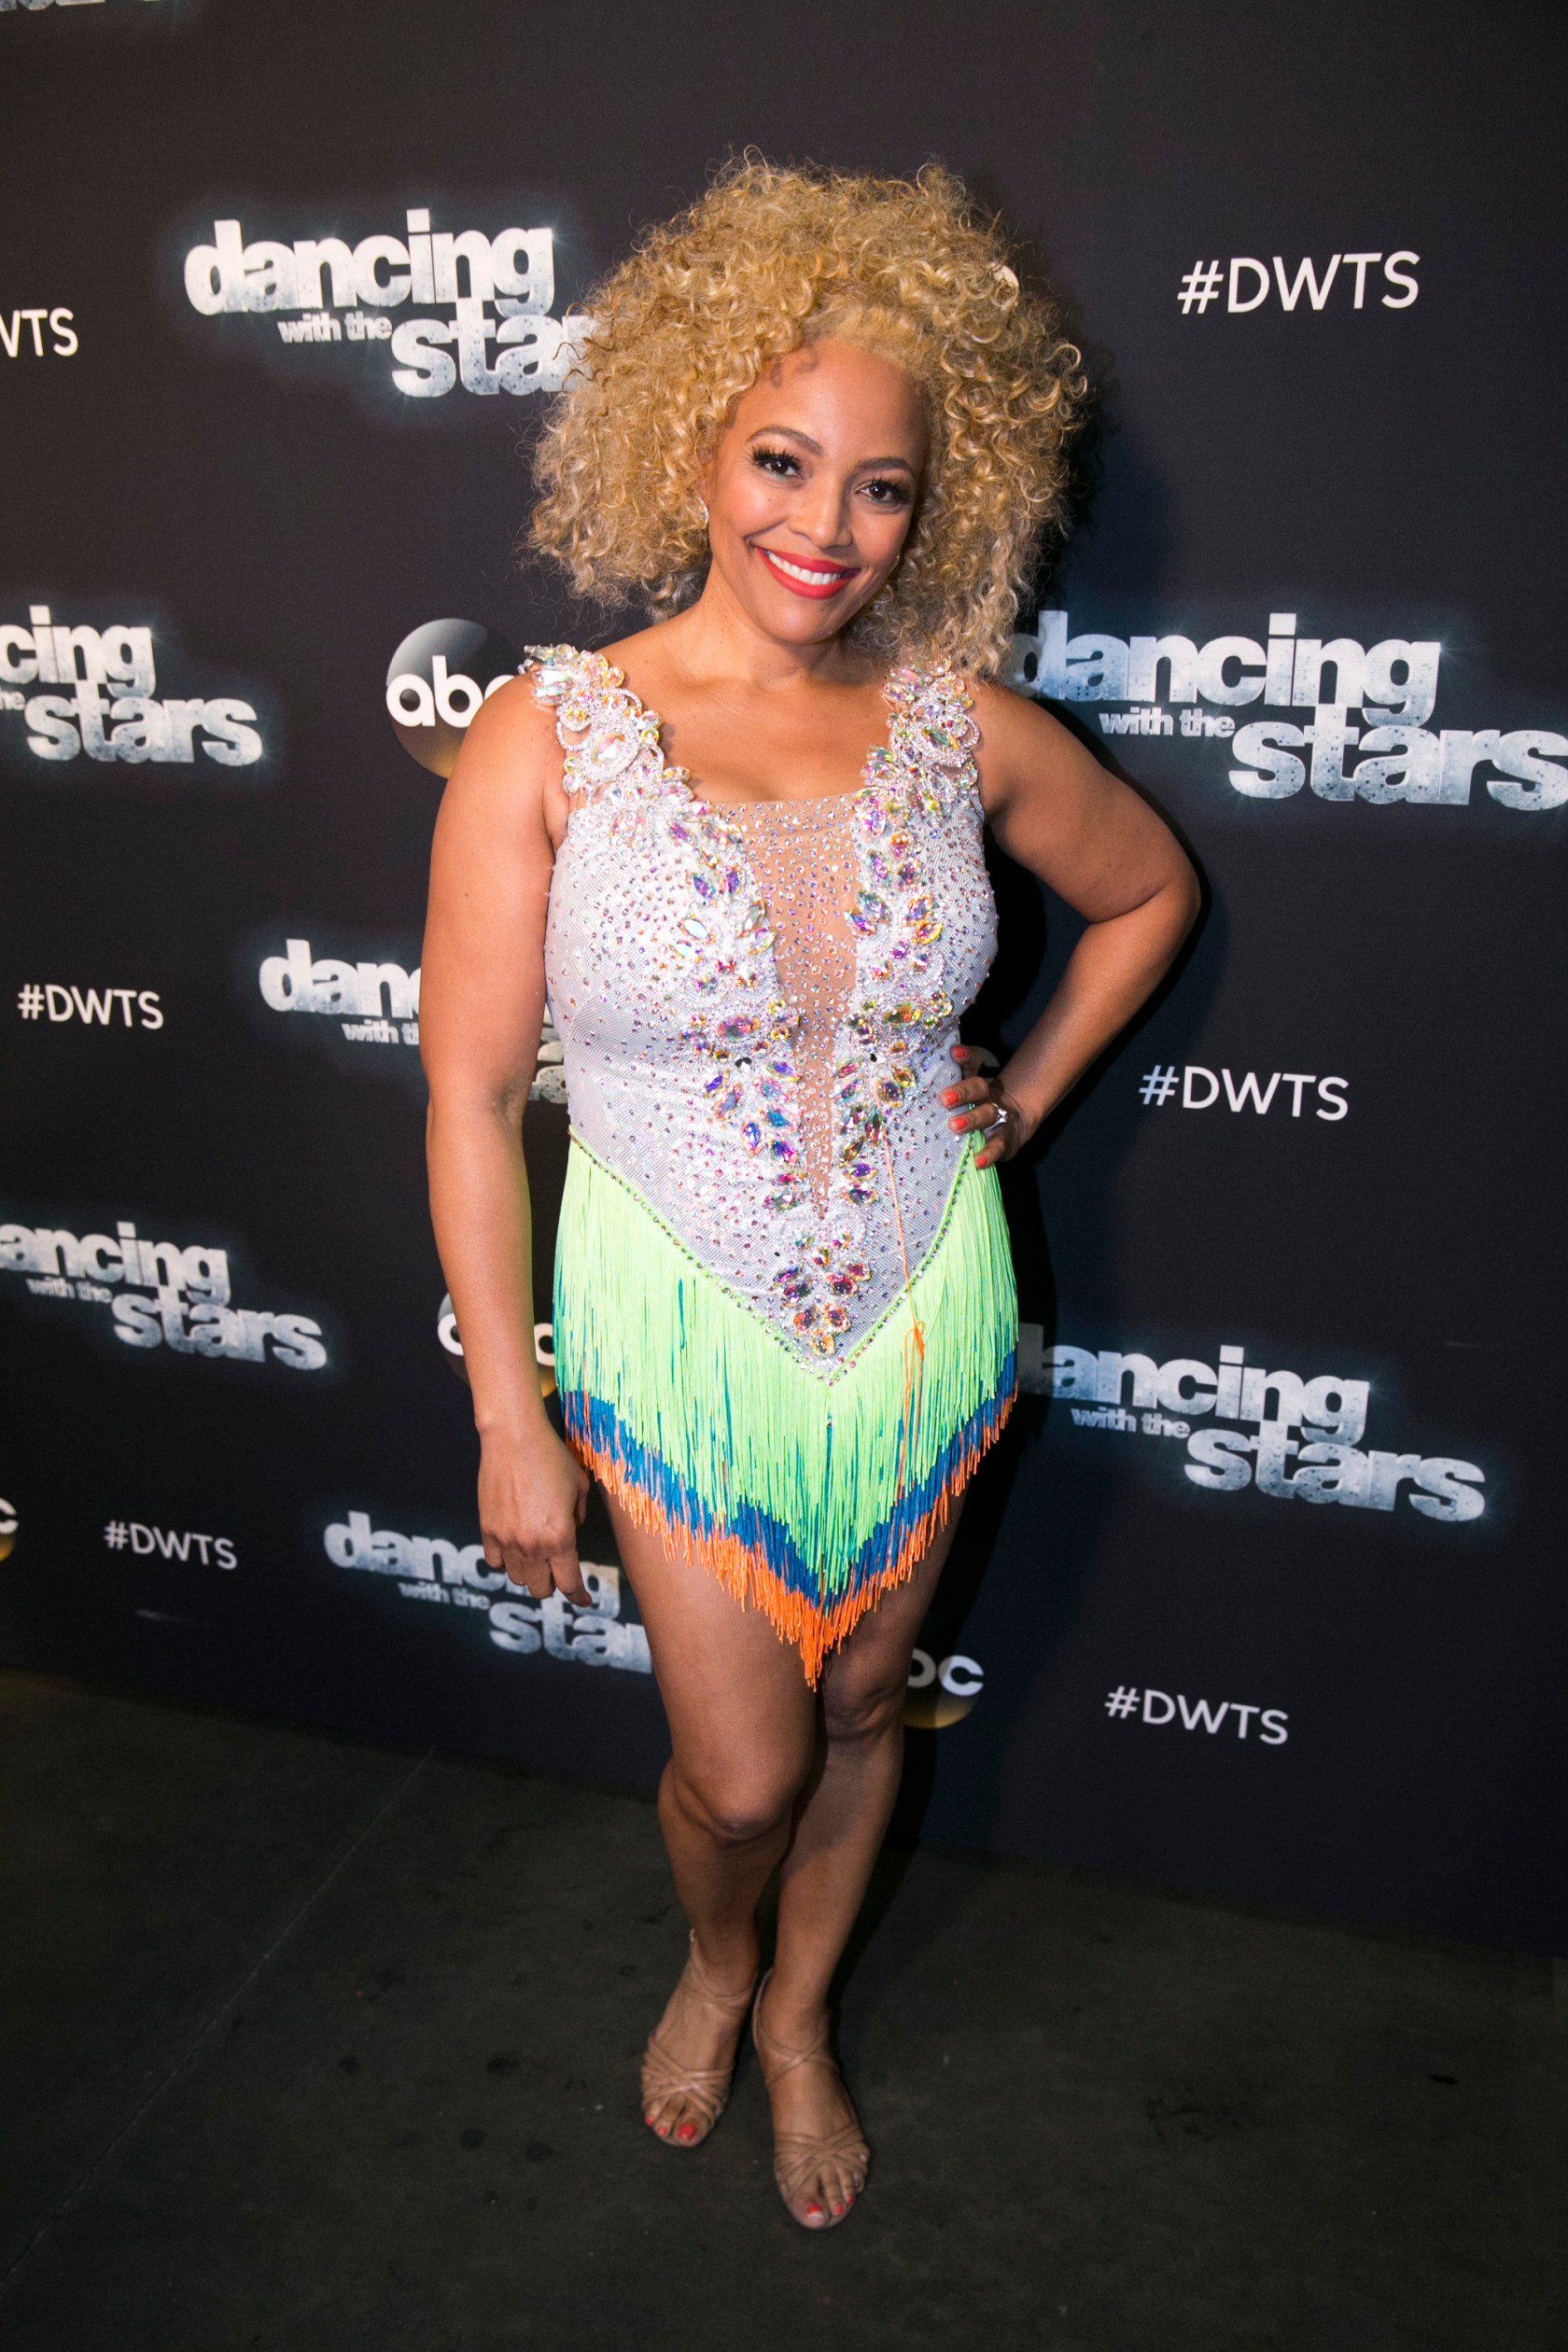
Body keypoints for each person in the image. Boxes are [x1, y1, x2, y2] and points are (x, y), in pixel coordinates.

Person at [420, 158, 1199, 2232]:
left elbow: (1147, 892)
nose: (826, 527)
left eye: (882, 488)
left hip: (926, 1307)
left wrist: (1024, 1101)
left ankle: (794, 2018)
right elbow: (471, 1091)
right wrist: (509, 1409)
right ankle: (715, 1954)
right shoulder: (547, 736)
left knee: (866, 1700)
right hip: (675, 1322)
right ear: (692, 441)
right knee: (743, 1769)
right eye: (784, 460)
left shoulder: (959, 729)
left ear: (937, 507)